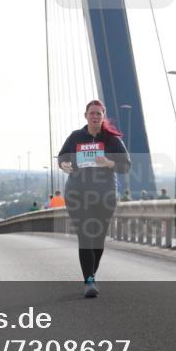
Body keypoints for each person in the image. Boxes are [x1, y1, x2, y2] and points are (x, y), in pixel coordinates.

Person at [58, 99, 131, 298]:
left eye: (99, 113)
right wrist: (64, 165)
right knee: (86, 236)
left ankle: (91, 275)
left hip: (104, 195)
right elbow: (62, 157)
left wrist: (109, 163)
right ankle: (89, 282)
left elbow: (126, 165)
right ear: (86, 115)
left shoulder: (112, 140)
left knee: (98, 239)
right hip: (77, 194)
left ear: (103, 116)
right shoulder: (76, 137)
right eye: (92, 113)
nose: (95, 116)